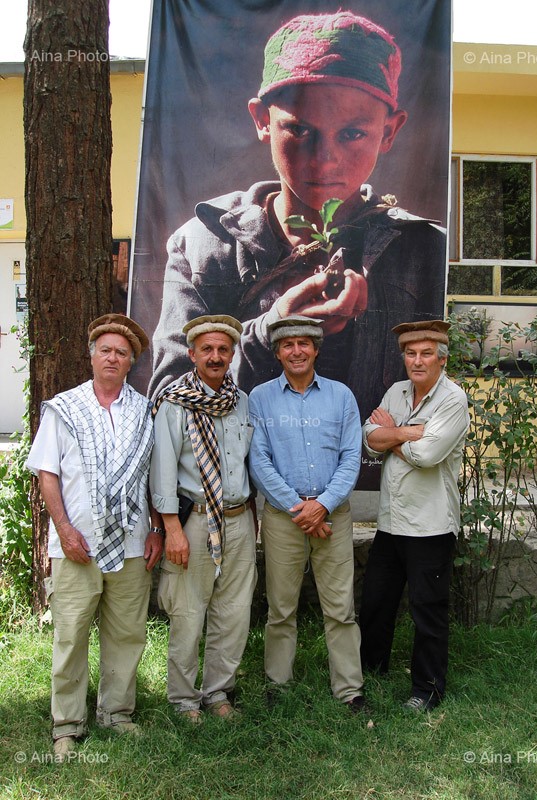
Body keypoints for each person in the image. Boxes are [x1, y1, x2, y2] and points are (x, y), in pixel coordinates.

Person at [149, 10, 446, 425]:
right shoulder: (201, 246)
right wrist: (270, 332)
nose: (324, 159)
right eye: (301, 130)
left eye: (352, 133)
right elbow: (168, 406)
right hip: (242, 487)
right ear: (261, 121)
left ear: (390, 132)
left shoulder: (424, 249)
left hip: (374, 486)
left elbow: (440, 400)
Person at [26, 314, 162, 762]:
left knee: (127, 634)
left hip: (130, 544)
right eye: (105, 350)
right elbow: (47, 473)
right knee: (71, 635)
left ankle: (117, 714)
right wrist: (64, 529)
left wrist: (158, 528)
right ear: (91, 356)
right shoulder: (63, 408)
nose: (112, 357)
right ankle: (67, 724)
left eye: (122, 353)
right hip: (76, 545)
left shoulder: (145, 411)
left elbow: (152, 478)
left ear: (131, 363)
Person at [248, 315, 366, 711]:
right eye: (287, 345)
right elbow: (259, 462)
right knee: (281, 608)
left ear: (316, 349)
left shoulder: (341, 396)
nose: (296, 351)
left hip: (333, 515)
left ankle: (349, 690)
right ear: (277, 352)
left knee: (341, 608)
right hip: (285, 519)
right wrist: (300, 509)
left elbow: (352, 458)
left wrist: (323, 505)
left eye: (303, 343)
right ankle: (277, 687)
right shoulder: (260, 399)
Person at [150, 314, 257, 722]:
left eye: (223, 350)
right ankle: (182, 699)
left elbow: (246, 465)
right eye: (206, 349)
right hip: (192, 521)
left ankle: (217, 693)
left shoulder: (240, 401)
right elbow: (161, 470)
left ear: (232, 354)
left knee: (233, 611)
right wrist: (171, 528)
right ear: (192, 354)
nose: (215, 356)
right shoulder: (174, 402)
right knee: (188, 610)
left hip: (238, 520)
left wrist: (250, 516)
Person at [359, 320, 469, 712]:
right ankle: (371, 671)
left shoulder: (453, 399)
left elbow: (427, 457)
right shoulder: (396, 391)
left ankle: (427, 690)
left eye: (426, 354)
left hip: (431, 525)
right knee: (376, 602)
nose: (417, 361)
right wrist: (408, 432)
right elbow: (369, 440)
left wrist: (391, 435)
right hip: (391, 523)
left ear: (442, 359)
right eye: (410, 353)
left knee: (428, 611)